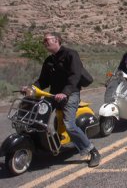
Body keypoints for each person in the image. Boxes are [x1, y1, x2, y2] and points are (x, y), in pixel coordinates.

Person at [22, 32, 100, 167]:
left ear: (56, 40)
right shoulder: (49, 60)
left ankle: (92, 151)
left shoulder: (71, 55)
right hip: (53, 95)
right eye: (43, 41)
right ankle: (42, 142)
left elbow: (75, 76)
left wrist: (65, 92)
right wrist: (31, 88)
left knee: (69, 125)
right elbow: (43, 81)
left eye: (47, 40)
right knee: (34, 112)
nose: (44, 43)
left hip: (71, 94)